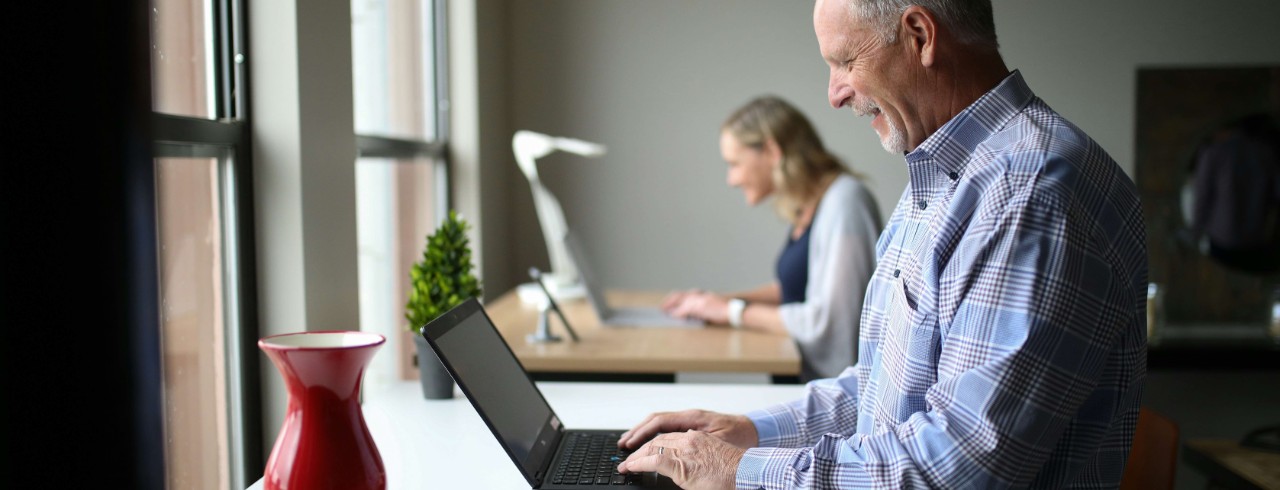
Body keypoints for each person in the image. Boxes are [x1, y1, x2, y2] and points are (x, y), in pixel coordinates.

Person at [616, 0, 1148, 488]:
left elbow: (957, 467)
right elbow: (876, 392)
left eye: (845, 60)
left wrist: (743, 471)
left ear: (920, 35)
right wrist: (746, 432)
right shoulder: (944, 179)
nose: (834, 92)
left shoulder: (1028, 194)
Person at [663, 95, 883, 381]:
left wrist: (731, 311)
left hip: (826, 395)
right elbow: (795, 289)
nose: (731, 179)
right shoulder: (810, 203)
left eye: (735, 163)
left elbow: (830, 321)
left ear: (770, 151)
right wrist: (713, 302)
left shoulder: (846, 202)